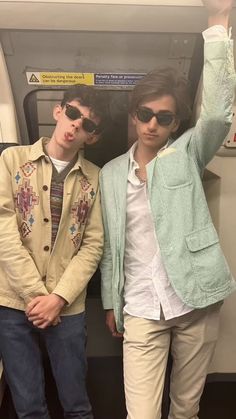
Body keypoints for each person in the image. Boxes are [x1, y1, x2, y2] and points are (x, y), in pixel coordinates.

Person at [100, 1, 236, 418]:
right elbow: (111, 246)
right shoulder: (109, 173)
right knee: (141, 413)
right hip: (141, 305)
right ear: (134, 113)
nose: (152, 124)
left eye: (164, 117)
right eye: (145, 114)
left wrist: (218, 23)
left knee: (185, 409)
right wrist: (111, 299)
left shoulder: (186, 154)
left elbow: (216, 112)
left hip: (195, 300)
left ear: (176, 124)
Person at [0, 84, 107, 419]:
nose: (76, 124)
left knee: (76, 402)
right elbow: (3, 230)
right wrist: (36, 296)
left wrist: (57, 298)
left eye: (88, 124)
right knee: (29, 405)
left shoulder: (96, 178)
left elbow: (93, 244)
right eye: (73, 113)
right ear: (58, 111)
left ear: (92, 137)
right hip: (14, 301)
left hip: (66, 303)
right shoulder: (12, 160)